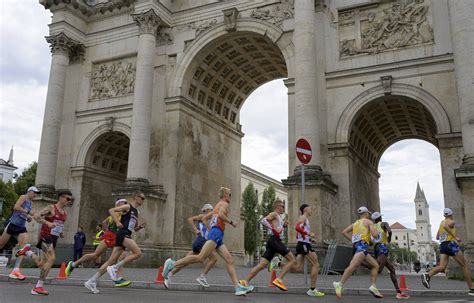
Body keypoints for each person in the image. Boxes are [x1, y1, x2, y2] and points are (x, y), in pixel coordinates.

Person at [162, 187, 254, 296]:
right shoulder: (224, 204)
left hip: (217, 234)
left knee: (230, 260)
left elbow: (205, 218)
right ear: (225, 195)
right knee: (200, 257)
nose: (230, 197)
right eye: (230, 195)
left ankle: (237, 287)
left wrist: (211, 229)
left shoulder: (217, 206)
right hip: (217, 234)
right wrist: (231, 222)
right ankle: (172, 263)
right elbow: (220, 215)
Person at [84, 192, 146, 294]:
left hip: (127, 234)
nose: (143, 200)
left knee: (110, 261)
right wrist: (117, 222)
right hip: (122, 234)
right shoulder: (128, 206)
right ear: (136, 197)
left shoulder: (136, 212)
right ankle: (115, 268)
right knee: (137, 253)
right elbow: (111, 210)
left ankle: (91, 280)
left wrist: (139, 227)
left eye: (144, 199)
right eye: (142, 198)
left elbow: (133, 228)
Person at [16, 190, 72, 296]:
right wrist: (47, 222)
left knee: (41, 264)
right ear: (61, 197)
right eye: (67, 199)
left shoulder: (65, 213)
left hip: (54, 238)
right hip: (45, 236)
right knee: (52, 258)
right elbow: (37, 216)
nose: (69, 201)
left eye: (70, 199)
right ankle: (38, 287)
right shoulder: (51, 208)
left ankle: (28, 252)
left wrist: (61, 232)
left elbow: (58, 224)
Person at [66, 198, 130, 287]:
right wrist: (108, 231)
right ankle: (73, 264)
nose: (125, 204)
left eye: (126, 203)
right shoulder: (116, 213)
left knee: (119, 256)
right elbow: (107, 222)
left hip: (115, 237)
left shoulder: (121, 214)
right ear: (118, 204)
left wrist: (106, 230)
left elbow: (104, 222)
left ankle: (118, 279)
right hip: (111, 237)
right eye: (124, 203)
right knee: (96, 255)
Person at [239, 199, 295, 291]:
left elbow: (277, 228)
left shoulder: (278, 217)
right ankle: (279, 279)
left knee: (262, 265)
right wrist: (273, 229)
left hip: (272, 241)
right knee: (292, 260)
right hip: (275, 240)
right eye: (282, 206)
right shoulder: (274, 214)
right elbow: (264, 220)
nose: (283, 208)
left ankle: (245, 281)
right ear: (278, 207)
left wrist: (283, 226)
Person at [333, 206, 383, 299]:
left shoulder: (355, 223)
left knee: (375, 265)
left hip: (357, 246)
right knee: (353, 266)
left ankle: (373, 286)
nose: (368, 215)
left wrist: (353, 240)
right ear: (366, 213)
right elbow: (375, 235)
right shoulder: (368, 222)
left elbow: (344, 232)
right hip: (362, 245)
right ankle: (339, 284)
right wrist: (378, 234)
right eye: (368, 213)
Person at [421, 208, 473, 296]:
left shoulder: (441, 223)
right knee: (464, 266)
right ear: (451, 214)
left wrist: (446, 235)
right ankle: (472, 289)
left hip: (443, 246)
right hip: (451, 245)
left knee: (442, 267)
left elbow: (437, 237)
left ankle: (428, 275)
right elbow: (446, 227)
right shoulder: (451, 221)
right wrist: (455, 236)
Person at [165, 203, 217, 288]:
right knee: (213, 259)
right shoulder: (202, 216)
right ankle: (202, 277)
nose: (211, 212)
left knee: (186, 261)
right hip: (201, 241)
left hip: (203, 242)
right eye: (210, 210)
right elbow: (190, 219)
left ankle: (169, 274)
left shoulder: (211, 219)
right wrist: (195, 229)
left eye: (212, 210)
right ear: (206, 210)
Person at [0, 186, 41, 280]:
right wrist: (28, 212)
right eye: (34, 193)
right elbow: (16, 207)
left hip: (21, 227)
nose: (35, 195)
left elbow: (24, 213)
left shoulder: (31, 203)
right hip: (12, 224)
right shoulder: (23, 197)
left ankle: (16, 271)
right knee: (1, 244)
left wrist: (28, 217)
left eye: (36, 194)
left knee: (24, 247)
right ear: (29, 192)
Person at [370, 212, 410, 299]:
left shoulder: (372, 226)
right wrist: (389, 238)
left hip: (376, 247)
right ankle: (362, 264)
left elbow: (370, 240)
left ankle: (399, 292)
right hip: (382, 247)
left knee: (392, 269)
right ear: (380, 218)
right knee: (378, 269)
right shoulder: (384, 224)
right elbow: (390, 231)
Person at [293, 204, 325, 297]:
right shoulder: (303, 217)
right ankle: (312, 289)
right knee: (316, 264)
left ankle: (278, 263)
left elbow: (298, 234)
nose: (312, 211)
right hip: (304, 244)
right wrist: (309, 234)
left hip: (303, 243)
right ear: (306, 209)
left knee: (298, 267)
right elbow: (297, 228)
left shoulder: (304, 219)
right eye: (311, 209)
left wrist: (310, 239)